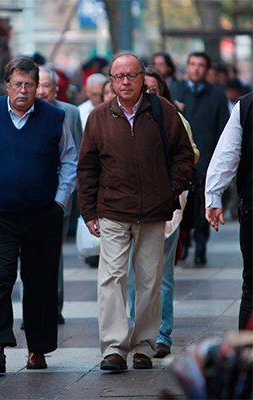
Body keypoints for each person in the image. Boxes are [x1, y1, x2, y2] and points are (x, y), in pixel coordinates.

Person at [77, 52, 193, 371]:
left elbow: (184, 155)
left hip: (154, 213)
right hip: (113, 211)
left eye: (131, 76)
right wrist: (88, 211)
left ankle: (143, 345)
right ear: (111, 82)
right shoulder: (99, 117)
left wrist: (169, 190)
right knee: (111, 278)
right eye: (118, 77)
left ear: (143, 78)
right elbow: (86, 168)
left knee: (149, 281)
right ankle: (114, 348)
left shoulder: (162, 111)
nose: (125, 82)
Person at [0, 57, 77, 372]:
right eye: (18, 84)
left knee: (40, 281)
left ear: (37, 86)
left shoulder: (54, 117)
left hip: (42, 213)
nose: (23, 90)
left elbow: (70, 159)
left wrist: (59, 200)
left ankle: (37, 350)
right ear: (7, 86)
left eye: (29, 84)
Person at [126, 67, 200, 360]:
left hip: (167, 207)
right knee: (133, 276)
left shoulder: (171, 117)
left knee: (161, 274)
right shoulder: (123, 118)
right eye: (145, 89)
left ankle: (162, 334)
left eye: (153, 90)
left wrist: (169, 184)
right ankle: (138, 332)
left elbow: (191, 154)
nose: (148, 95)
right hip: (130, 207)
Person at [171, 51, 229, 266]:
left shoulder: (216, 95)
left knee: (205, 203)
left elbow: (223, 129)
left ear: (206, 69)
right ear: (187, 66)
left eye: (201, 65)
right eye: (192, 64)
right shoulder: (176, 90)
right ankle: (184, 244)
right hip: (180, 160)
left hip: (205, 159)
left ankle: (201, 246)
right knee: (181, 204)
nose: (196, 68)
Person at [36, 63, 83, 324]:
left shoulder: (70, 113)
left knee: (54, 251)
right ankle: (32, 307)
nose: (42, 90)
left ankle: (54, 305)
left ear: (56, 88)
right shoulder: (26, 111)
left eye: (47, 85)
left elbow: (78, 154)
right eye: (38, 84)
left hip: (60, 195)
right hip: (30, 194)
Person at [205, 92, 252, 330]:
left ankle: (246, 358)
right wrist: (213, 195)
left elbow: (228, 153)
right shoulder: (245, 105)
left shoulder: (247, 104)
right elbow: (228, 152)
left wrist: (214, 195)